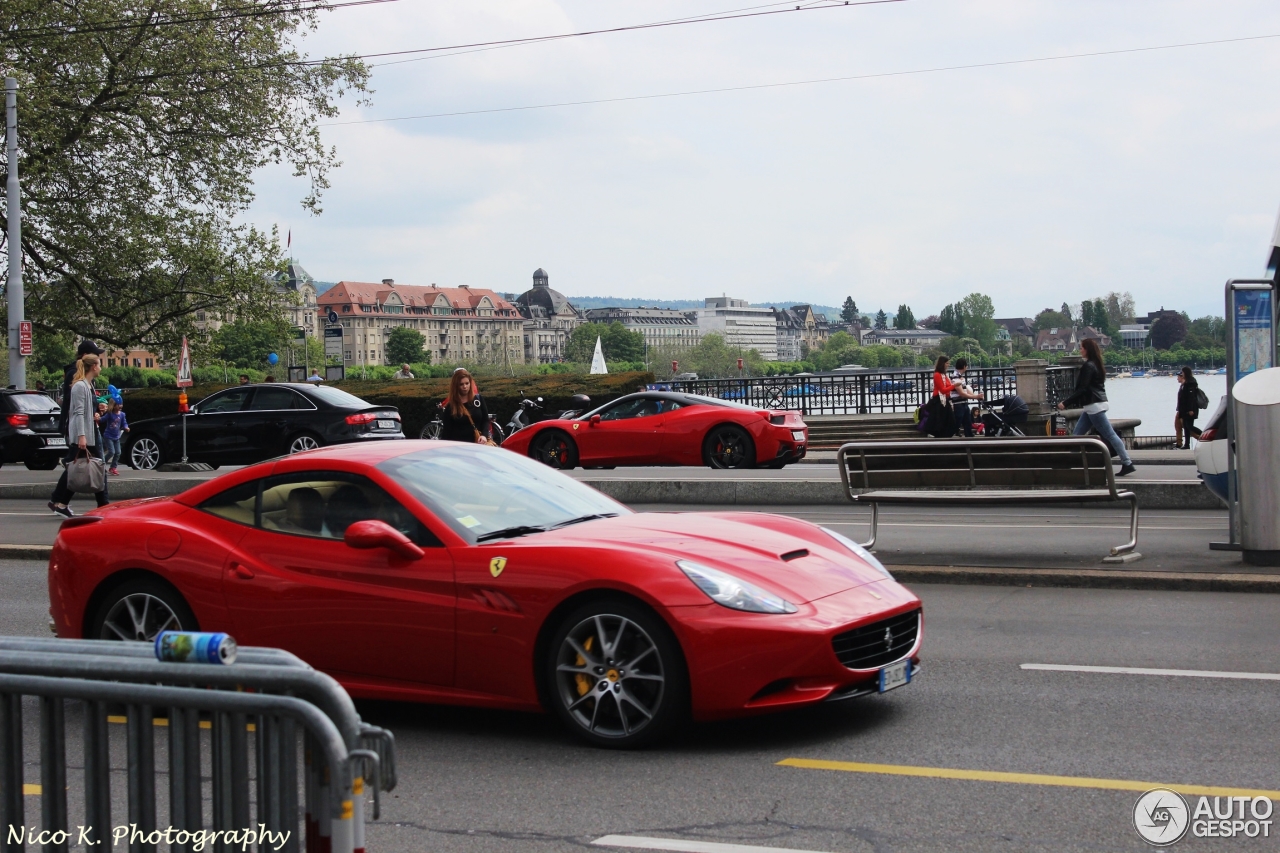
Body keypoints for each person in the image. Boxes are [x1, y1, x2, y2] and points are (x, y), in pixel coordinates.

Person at [1058, 338, 1135, 476]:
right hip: (1093, 405)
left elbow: (1083, 389)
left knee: (1110, 435)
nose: (1080, 350)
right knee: (1076, 436)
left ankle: (1127, 462)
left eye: (1081, 347)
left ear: (1087, 349)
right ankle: (1069, 462)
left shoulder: (1089, 366)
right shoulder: (1096, 364)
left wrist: (1066, 403)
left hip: (1094, 406)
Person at [49, 353, 109, 517]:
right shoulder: (79, 386)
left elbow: (86, 411)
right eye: (99, 364)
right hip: (83, 435)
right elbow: (78, 413)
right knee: (97, 467)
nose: (101, 367)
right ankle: (103, 506)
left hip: (88, 432)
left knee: (79, 468)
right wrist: (82, 436)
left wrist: (95, 415)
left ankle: (62, 504)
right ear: (93, 367)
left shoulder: (89, 385)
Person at [58, 340, 105, 435]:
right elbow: (76, 404)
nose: (97, 358)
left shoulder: (88, 377)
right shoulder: (74, 374)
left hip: (88, 426)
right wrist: (81, 435)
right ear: (85, 356)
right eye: (95, 354)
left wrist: (96, 409)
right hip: (78, 429)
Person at [439, 368, 492, 444]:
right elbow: (447, 431)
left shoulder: (478, 400)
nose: (465, 387)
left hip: (478, 445)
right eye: (461, 384)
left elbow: (485, 420)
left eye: (467, 383)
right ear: (456, 386)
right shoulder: (451, 406)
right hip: (459, 447)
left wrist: (484, 435)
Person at [948, 357, 985, 437]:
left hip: (963, 403)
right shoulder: (956, 377)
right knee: (957, 422)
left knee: (967, 422)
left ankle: (969, 438)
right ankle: (947, 437)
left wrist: (973, 395)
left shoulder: (959, 377)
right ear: (964, 366)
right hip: (958, 403)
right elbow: (961, 393)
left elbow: (964, 392)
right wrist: (976, 396)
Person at [1175, 366, 1203, 449]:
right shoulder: (1185, 383)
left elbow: (1191, 397)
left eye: (1182, 372)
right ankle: (1187, 444)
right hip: (1184, 409)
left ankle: (1203, 434)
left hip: (1190, 409)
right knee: (1186, 427)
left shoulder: (1191, 383)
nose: (1182, 374)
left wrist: (1190, 409)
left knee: (1189, 426)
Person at [100, 400, 130, 475]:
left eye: (121, 404)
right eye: (118, 405)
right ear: (113, 406)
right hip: (108, 436)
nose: (120, 406)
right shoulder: (110, 414)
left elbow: (124, 423)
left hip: (116, 437)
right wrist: (98, 418)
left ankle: (113, 467)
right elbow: (103, 419)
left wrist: (126, 427)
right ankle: (102, 465)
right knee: (111, 452)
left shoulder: (122, 415)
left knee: (118, 452)